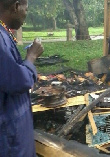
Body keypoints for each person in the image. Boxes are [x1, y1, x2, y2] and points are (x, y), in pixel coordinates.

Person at [0, 0, 44, 156]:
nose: (26, 13)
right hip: (9, 136)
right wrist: (31, 57)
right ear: (16, 6)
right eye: (26, 8)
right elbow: (17, 81)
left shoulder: (3, 33)